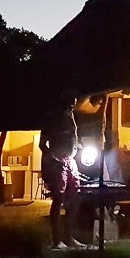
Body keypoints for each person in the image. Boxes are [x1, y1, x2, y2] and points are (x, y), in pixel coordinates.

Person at [40, 92, 87, 249]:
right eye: (69, 104)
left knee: (74, 199)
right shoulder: (52, 120)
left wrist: (78, 147)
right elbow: (42, 144)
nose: (71, 107)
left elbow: (74, 137)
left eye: (73, 104)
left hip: (70, 161)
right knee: (58, 199)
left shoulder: (71, 118)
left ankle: (69, 237)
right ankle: (56, 240)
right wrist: (52, 157)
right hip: (57, 162)